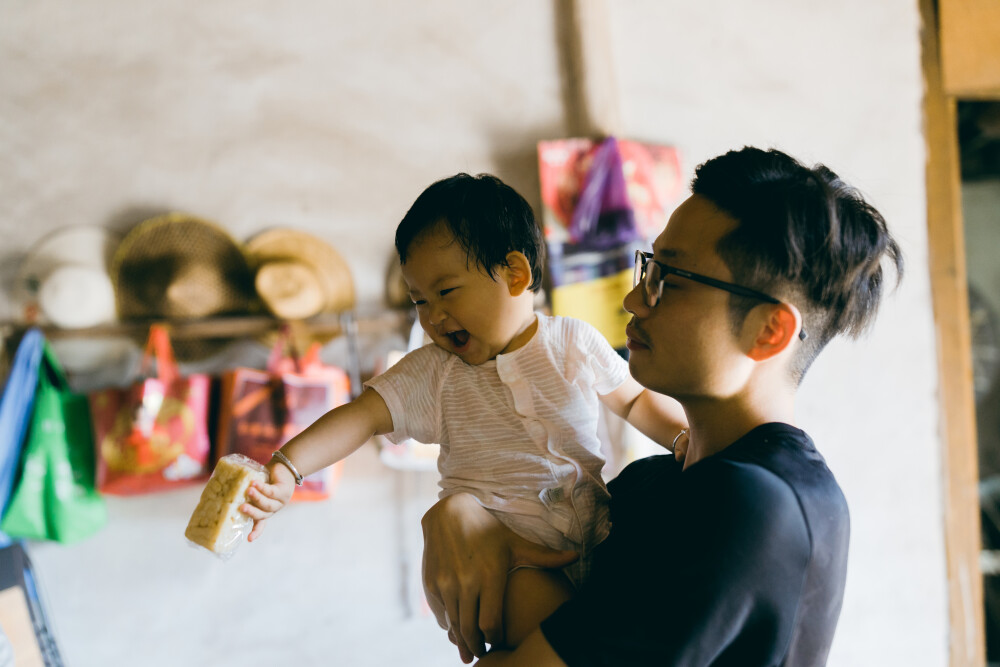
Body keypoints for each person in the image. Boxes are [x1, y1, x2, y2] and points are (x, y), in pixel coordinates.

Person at [420, 147, 904, 666]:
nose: (634, 300)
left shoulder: (755, 502)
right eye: (649, 267)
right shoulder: (650, 487)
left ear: (770, 331)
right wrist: (458, 510)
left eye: (670, 280)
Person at [240, 172, 688, 647]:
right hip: (504, 560)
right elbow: (362, 416)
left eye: (446, 292)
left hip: (596, 543)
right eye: (419, 300)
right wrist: (288, 467)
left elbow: (635, 399)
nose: (433, 315)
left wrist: (685, 440)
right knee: (573, 648)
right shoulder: (434, 372)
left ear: (515, 274)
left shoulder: (571, 342)